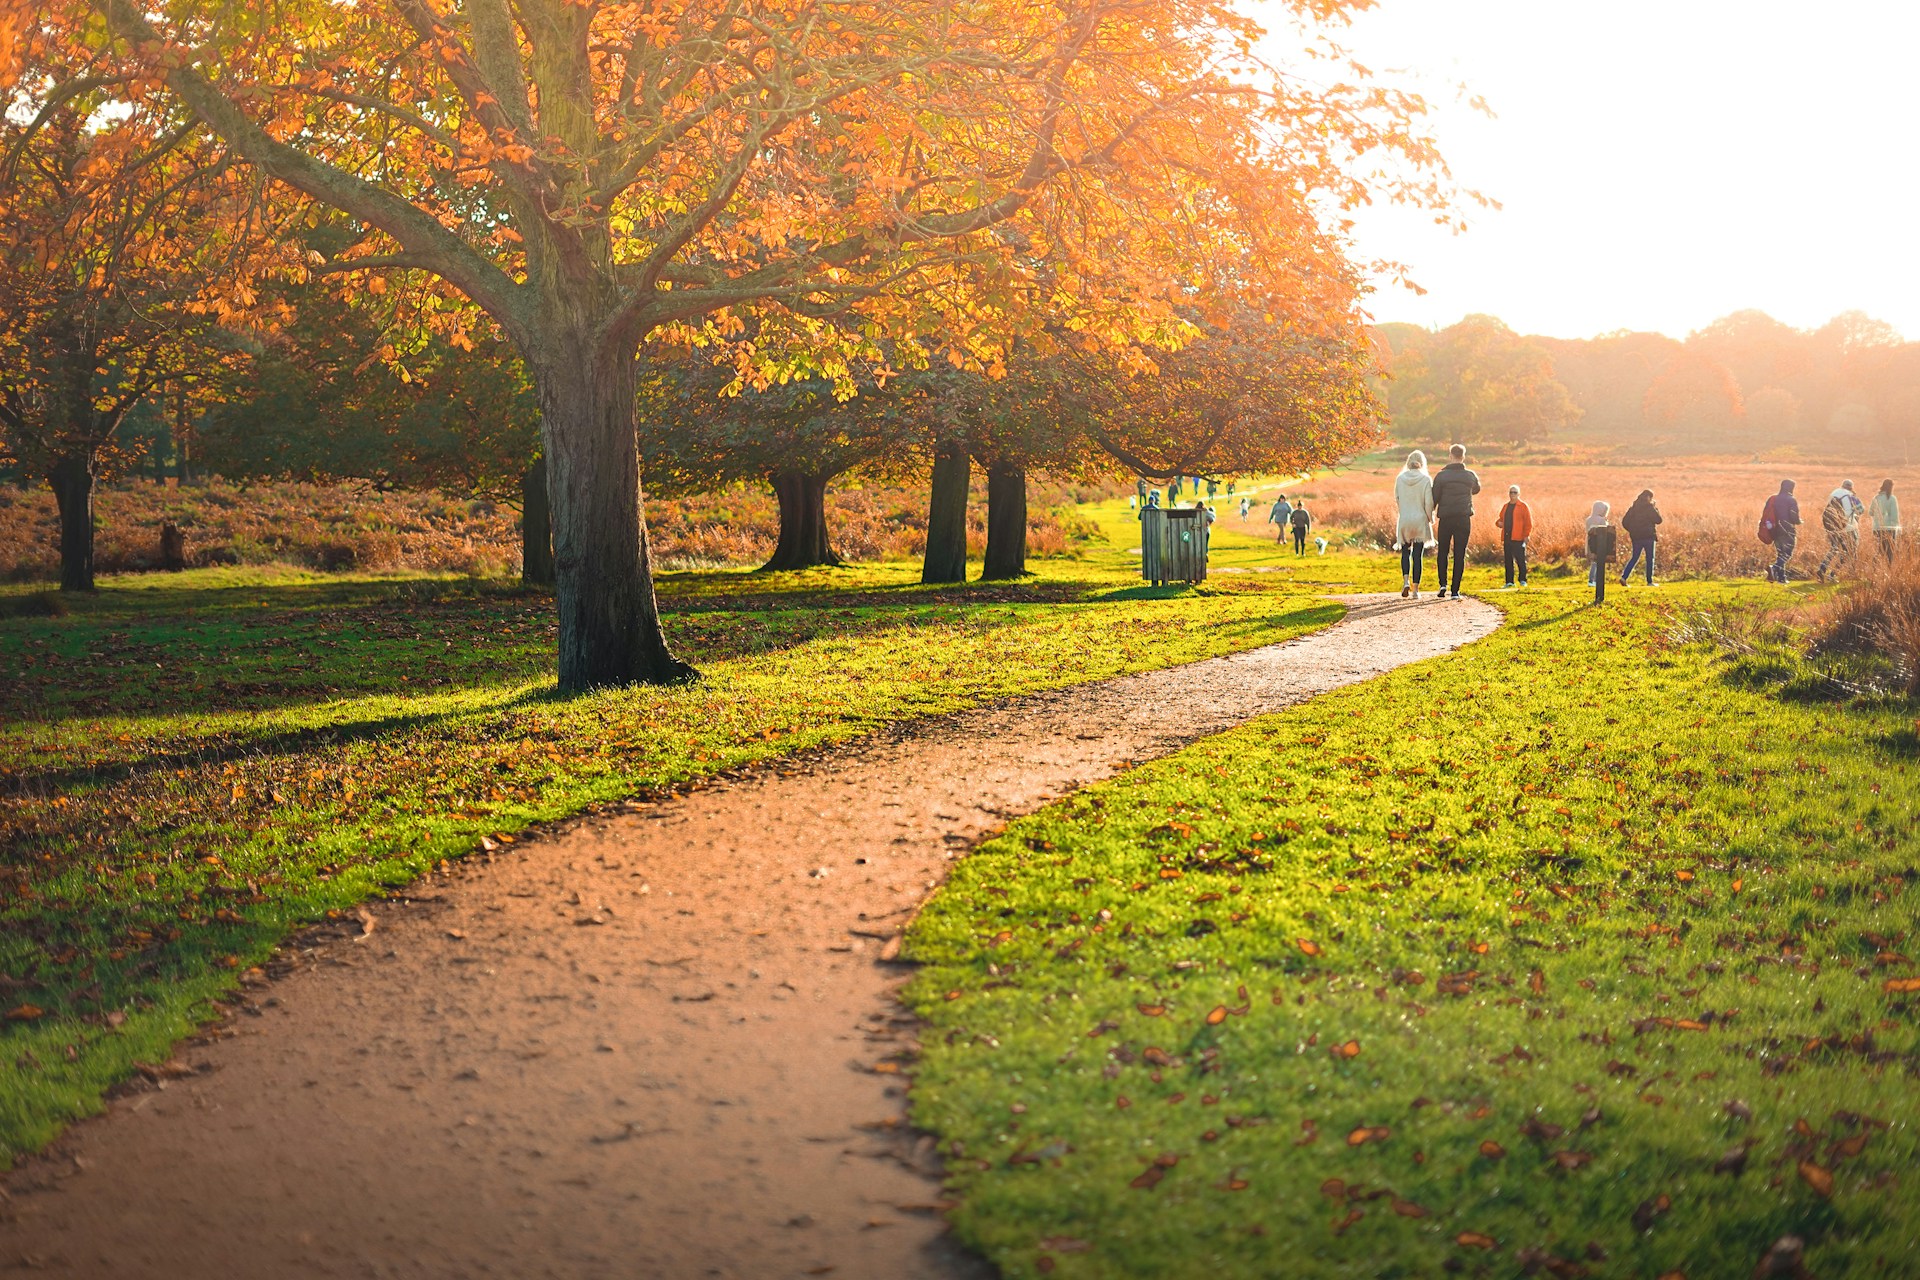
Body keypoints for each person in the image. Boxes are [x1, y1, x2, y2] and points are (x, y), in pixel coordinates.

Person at [1429, 443, 1481, 599]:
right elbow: (1477, 489)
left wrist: (1429, 511)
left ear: (1450, 456)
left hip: (1446, 517)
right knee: (1460, 553)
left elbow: (1434, 498)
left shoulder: (1441, 476)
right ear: (1463, 456)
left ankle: (1442, 584)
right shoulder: (1470, 475)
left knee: (1443, 552)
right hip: (1463, 518)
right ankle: (1455, 590)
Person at [1393, 450, 1435, 599]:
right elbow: (1429, 502)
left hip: (1404, 519)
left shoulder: (1400, 478)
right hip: (1419, 520)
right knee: (1417, 555)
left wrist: (1404, 511)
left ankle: (1405, 582)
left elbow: (1397, 498)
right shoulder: (1425, 479)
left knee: (1405, 552)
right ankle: (1416, 590)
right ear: (1422, 462)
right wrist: (1431, 518)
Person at [1817, 480, 1866, 581]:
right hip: (1848, 527)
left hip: (1832, 526)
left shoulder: (1834, 493)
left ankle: (1822, 568)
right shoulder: (1851, 496)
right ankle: (1832, 575)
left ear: (1842, 486)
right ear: (1851, 487)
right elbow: (1861, 510)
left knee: (1834, 548)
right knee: (1849, 552)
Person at [1618, 489, 1662, 586]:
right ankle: (1649, 581)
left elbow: (1624, 522)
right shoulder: (1650, 508)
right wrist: (1655, 508)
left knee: (1634, 557)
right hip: (1648, 536)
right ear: (1649, 498)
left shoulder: (1633, 508)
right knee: (1650, 559)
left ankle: (1624, 577)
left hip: (1636, 537)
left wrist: (1633, 530)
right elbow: (1659, 520)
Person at [1762, 480, 1801, 583]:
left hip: (1774, 529)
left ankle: (1781, 578)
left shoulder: (1773, 498)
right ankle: (1774, 568)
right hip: (1787, 528)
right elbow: (1794, 516)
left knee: (1780, 553)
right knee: (1788, 553)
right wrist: (1798, 521)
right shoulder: (1791, 500)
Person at [1495, 484, 1532, 587]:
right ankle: (1509, 582)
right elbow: (1500, 519)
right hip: (1507, 537)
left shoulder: (1523, 506)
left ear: (1519, 494)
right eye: (1511, 492)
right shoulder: (1506, 506)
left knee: (1520, 560)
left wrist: (1526, 535)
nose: (1512, 494)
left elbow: (1528, 523)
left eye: (1515, 492)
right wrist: (1498, 524)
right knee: (1508, 561)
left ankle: (1523, 580)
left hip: (1519, 537)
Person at [1586, 501, 1616, 605]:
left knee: (1593, 563)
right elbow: (1605, 532)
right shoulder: (1602, 520)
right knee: (1598, 564)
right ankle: (1593, 580)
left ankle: (1591, 579)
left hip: (1591, 544)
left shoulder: (1588, 520)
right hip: (1601, 546)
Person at [1870, 479, 1900, 564]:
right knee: (1890, 551)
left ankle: (1874, 568)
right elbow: (1894, 516)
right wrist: (1897, 527)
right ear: (1891, 487)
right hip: (1890, 528)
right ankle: (1889, 570)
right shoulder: (1892, 498)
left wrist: (1878, 517)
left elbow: (1870, 512)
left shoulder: (1876, 497)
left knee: (1879, 549)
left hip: (1877, 528)